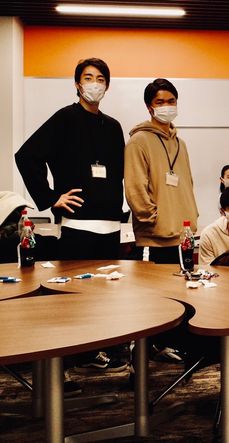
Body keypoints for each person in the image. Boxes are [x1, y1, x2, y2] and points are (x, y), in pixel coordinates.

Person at [14, 58, 127, 385]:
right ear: (77, 84)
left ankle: (92, 356)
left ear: (107, 85)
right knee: (73, 299)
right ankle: (61, 369)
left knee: (104, 297)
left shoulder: (114, 126)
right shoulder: (65, 118)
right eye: (88, 78)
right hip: (78, 228)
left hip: (111, 227)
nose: (95, 84)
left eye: (101, 78)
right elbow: (26, 156)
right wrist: (51, 197)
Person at [125, 78, 199, 265]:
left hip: (184, 236)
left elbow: (188, 185)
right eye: (160, 102)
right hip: (154, 240)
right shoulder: (138, 141)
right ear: (149, 107)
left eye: (171, 101)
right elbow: (135, 188)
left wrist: (192, 215)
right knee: (154, 285)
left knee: (183, 283)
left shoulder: (180, 143)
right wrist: (154, 221)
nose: (167, 106)